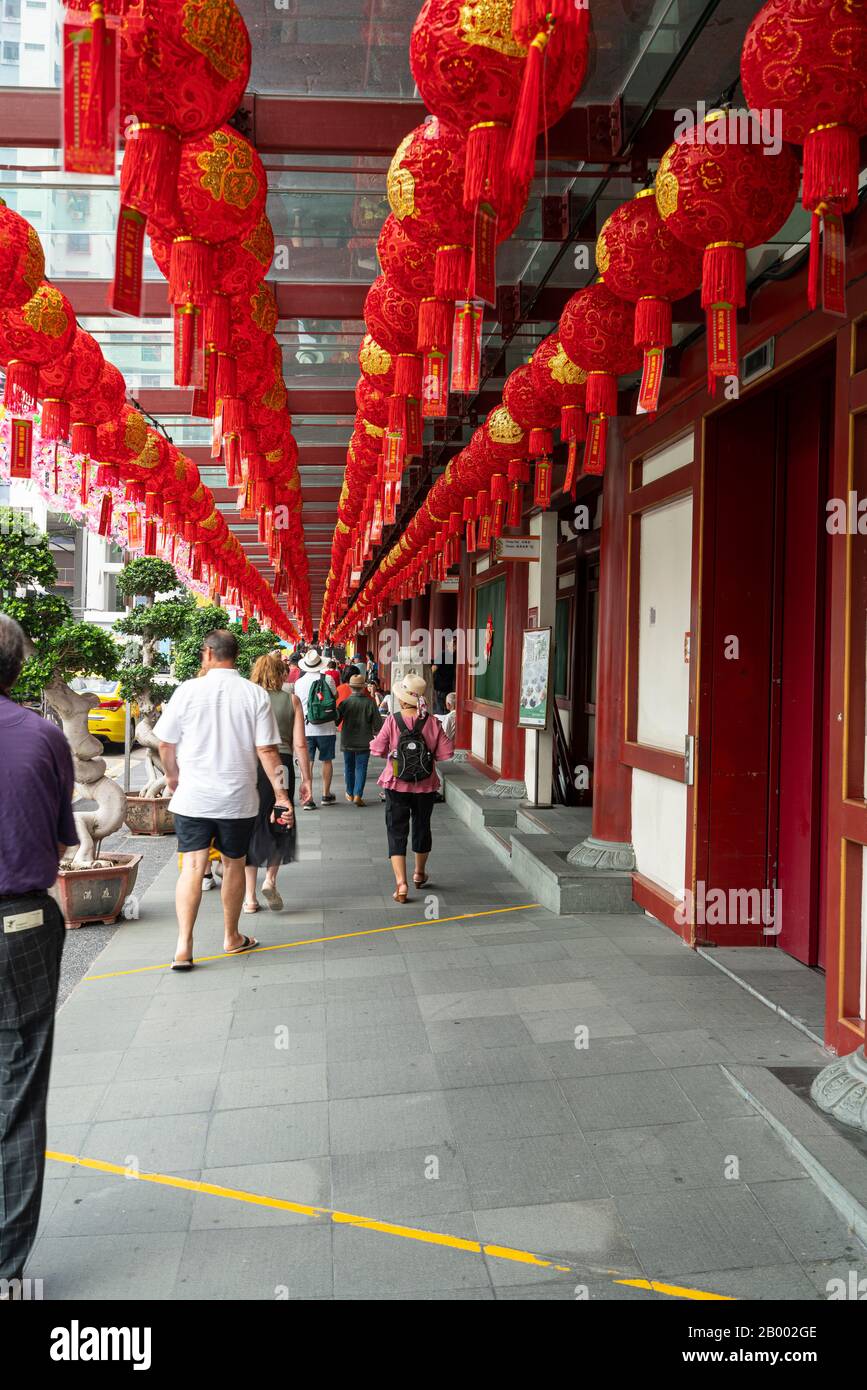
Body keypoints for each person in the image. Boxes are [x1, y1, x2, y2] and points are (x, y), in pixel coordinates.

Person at [0, 614, 78, 1296]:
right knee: (18, 1094)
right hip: (20, 923)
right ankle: (5, 1271)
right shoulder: (44, 736)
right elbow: (58, 844)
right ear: (19, 667)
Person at [154, 629, 292, 970]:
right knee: (234, 864)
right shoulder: (254, 694)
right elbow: (267, 751)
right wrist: (281, 795)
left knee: (193, 868)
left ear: (207, 653)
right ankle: (231, 936)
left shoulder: (186, 691)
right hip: (237, 799)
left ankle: (183, 946)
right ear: (235, 656)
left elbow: (165, 744)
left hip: (192, 799)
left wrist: (173, 777)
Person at [369, 673, 454, 903]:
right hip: (425, 785)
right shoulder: (432, 721)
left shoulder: (392, 720)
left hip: (396, 783)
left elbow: (376, 750)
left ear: (402, 699)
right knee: (421, 827)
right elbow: (446, 753)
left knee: (396, 830)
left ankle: (401, 883)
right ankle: (418, 873)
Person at [244, 653, 313, 913]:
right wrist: (307, 778)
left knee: (252, 824)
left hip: (253, 765)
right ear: (280, 674)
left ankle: (249, 898)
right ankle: (270, 879)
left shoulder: (248, 700)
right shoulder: (291, 700)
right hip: (282, 765)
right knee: (281, 820)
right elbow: (300, 744)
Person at [293, 648, 338, 808]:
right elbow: (334, 697)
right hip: (327, 727)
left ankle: (308, 798)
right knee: (327, 760)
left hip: (305, 728)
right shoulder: (328, 680)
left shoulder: (299, 683)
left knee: (308, 762)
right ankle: (326, 795)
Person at [337, 672, 383, 806]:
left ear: (350, 687)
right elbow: (378, 724)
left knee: (348, 766)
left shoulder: (345, 703)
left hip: (347, 740)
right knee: (361, 767)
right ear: (363, 687)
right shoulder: (370, 702)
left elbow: (336, 721)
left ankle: (350, 792)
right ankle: (358, 794)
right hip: (364, 740)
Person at [432, 634, 457, 715]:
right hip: (440, 689)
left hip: (450, 690)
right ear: (447, 643)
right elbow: (432, 670)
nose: (454, 644)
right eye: (452, 642)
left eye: (455, 642)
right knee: (440, 712)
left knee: (450, 712)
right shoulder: (442, 655)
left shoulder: (456, 656)